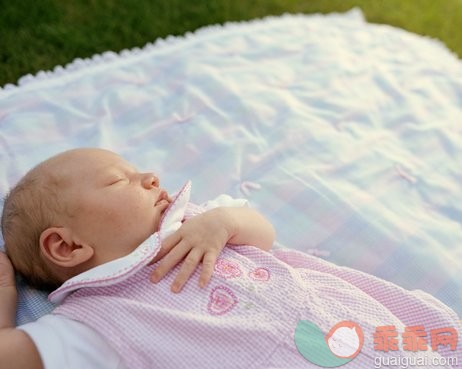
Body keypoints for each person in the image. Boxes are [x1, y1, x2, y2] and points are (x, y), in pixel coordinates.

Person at [0, 148, 460, 369]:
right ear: (67, 247)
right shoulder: (95, 321)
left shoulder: (196, 222)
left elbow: (263, 233)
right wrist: (6, 297)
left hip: (344, 323)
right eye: (118, 180)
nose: (150, 176)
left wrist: (222, 223)